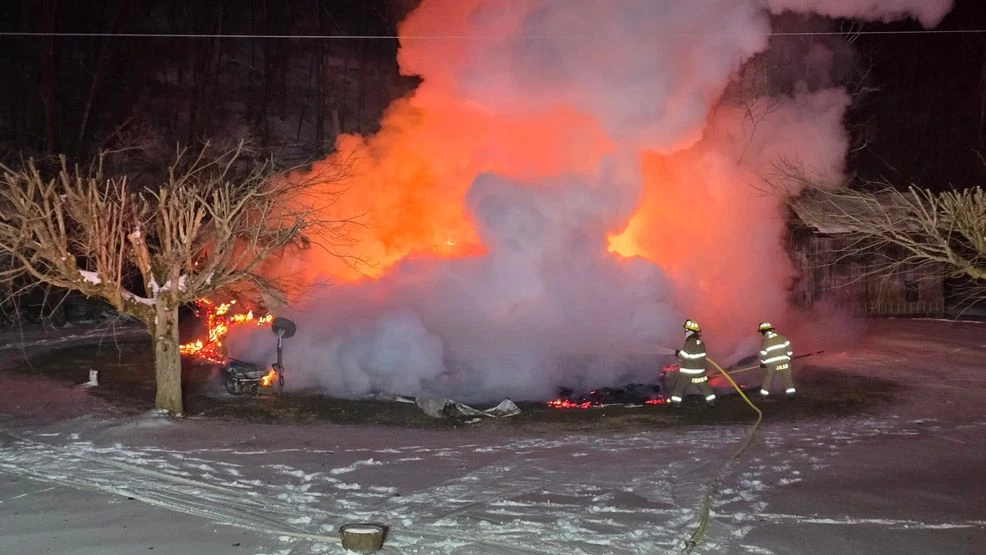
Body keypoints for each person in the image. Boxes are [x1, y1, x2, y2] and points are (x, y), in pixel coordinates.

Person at [670, 319, 716, 407]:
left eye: (686, 330)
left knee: (680, 386)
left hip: (688, 372)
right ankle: (711, 402)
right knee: (703, 386)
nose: (685, 332)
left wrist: (677, 353)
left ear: (690, 332)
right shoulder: (701, 343)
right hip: (700, 371)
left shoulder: (689, 343)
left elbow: (684, 356)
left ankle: (676, 403)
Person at [758, 322, 795, 398]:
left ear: (763, 331)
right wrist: (790, 356)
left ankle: (763, 396)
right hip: (784, 362)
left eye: (761, 332)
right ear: (771, 329)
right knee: (787, 378)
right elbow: (789, 348)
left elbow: (763, 354)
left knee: (768, 379)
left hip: (772, 364)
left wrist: (763, 363)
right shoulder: (781, 337)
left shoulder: (765, 340)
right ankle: (791, 395)